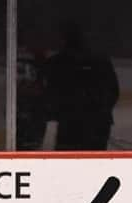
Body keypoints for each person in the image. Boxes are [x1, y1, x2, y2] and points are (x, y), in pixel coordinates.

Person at [43, 20, 119, 150]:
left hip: (71, 124)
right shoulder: (101, 60)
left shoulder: (58, 62)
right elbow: (113, 91)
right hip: (98, 124)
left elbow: (51, 92)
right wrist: (101, 110)